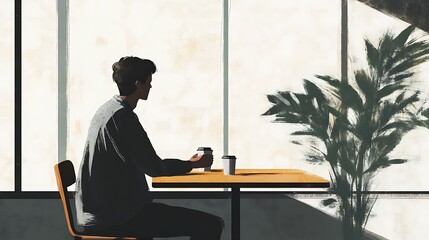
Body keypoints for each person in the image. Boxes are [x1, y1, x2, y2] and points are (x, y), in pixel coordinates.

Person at [75, 56, 224, 240]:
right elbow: (153, 167)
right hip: (115, 217)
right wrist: (191, 164)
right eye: (149, 82)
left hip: (98, 213)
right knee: (210, 225)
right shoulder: (123, 118)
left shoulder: (107, 110)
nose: (151, 87)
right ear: (138, 84)